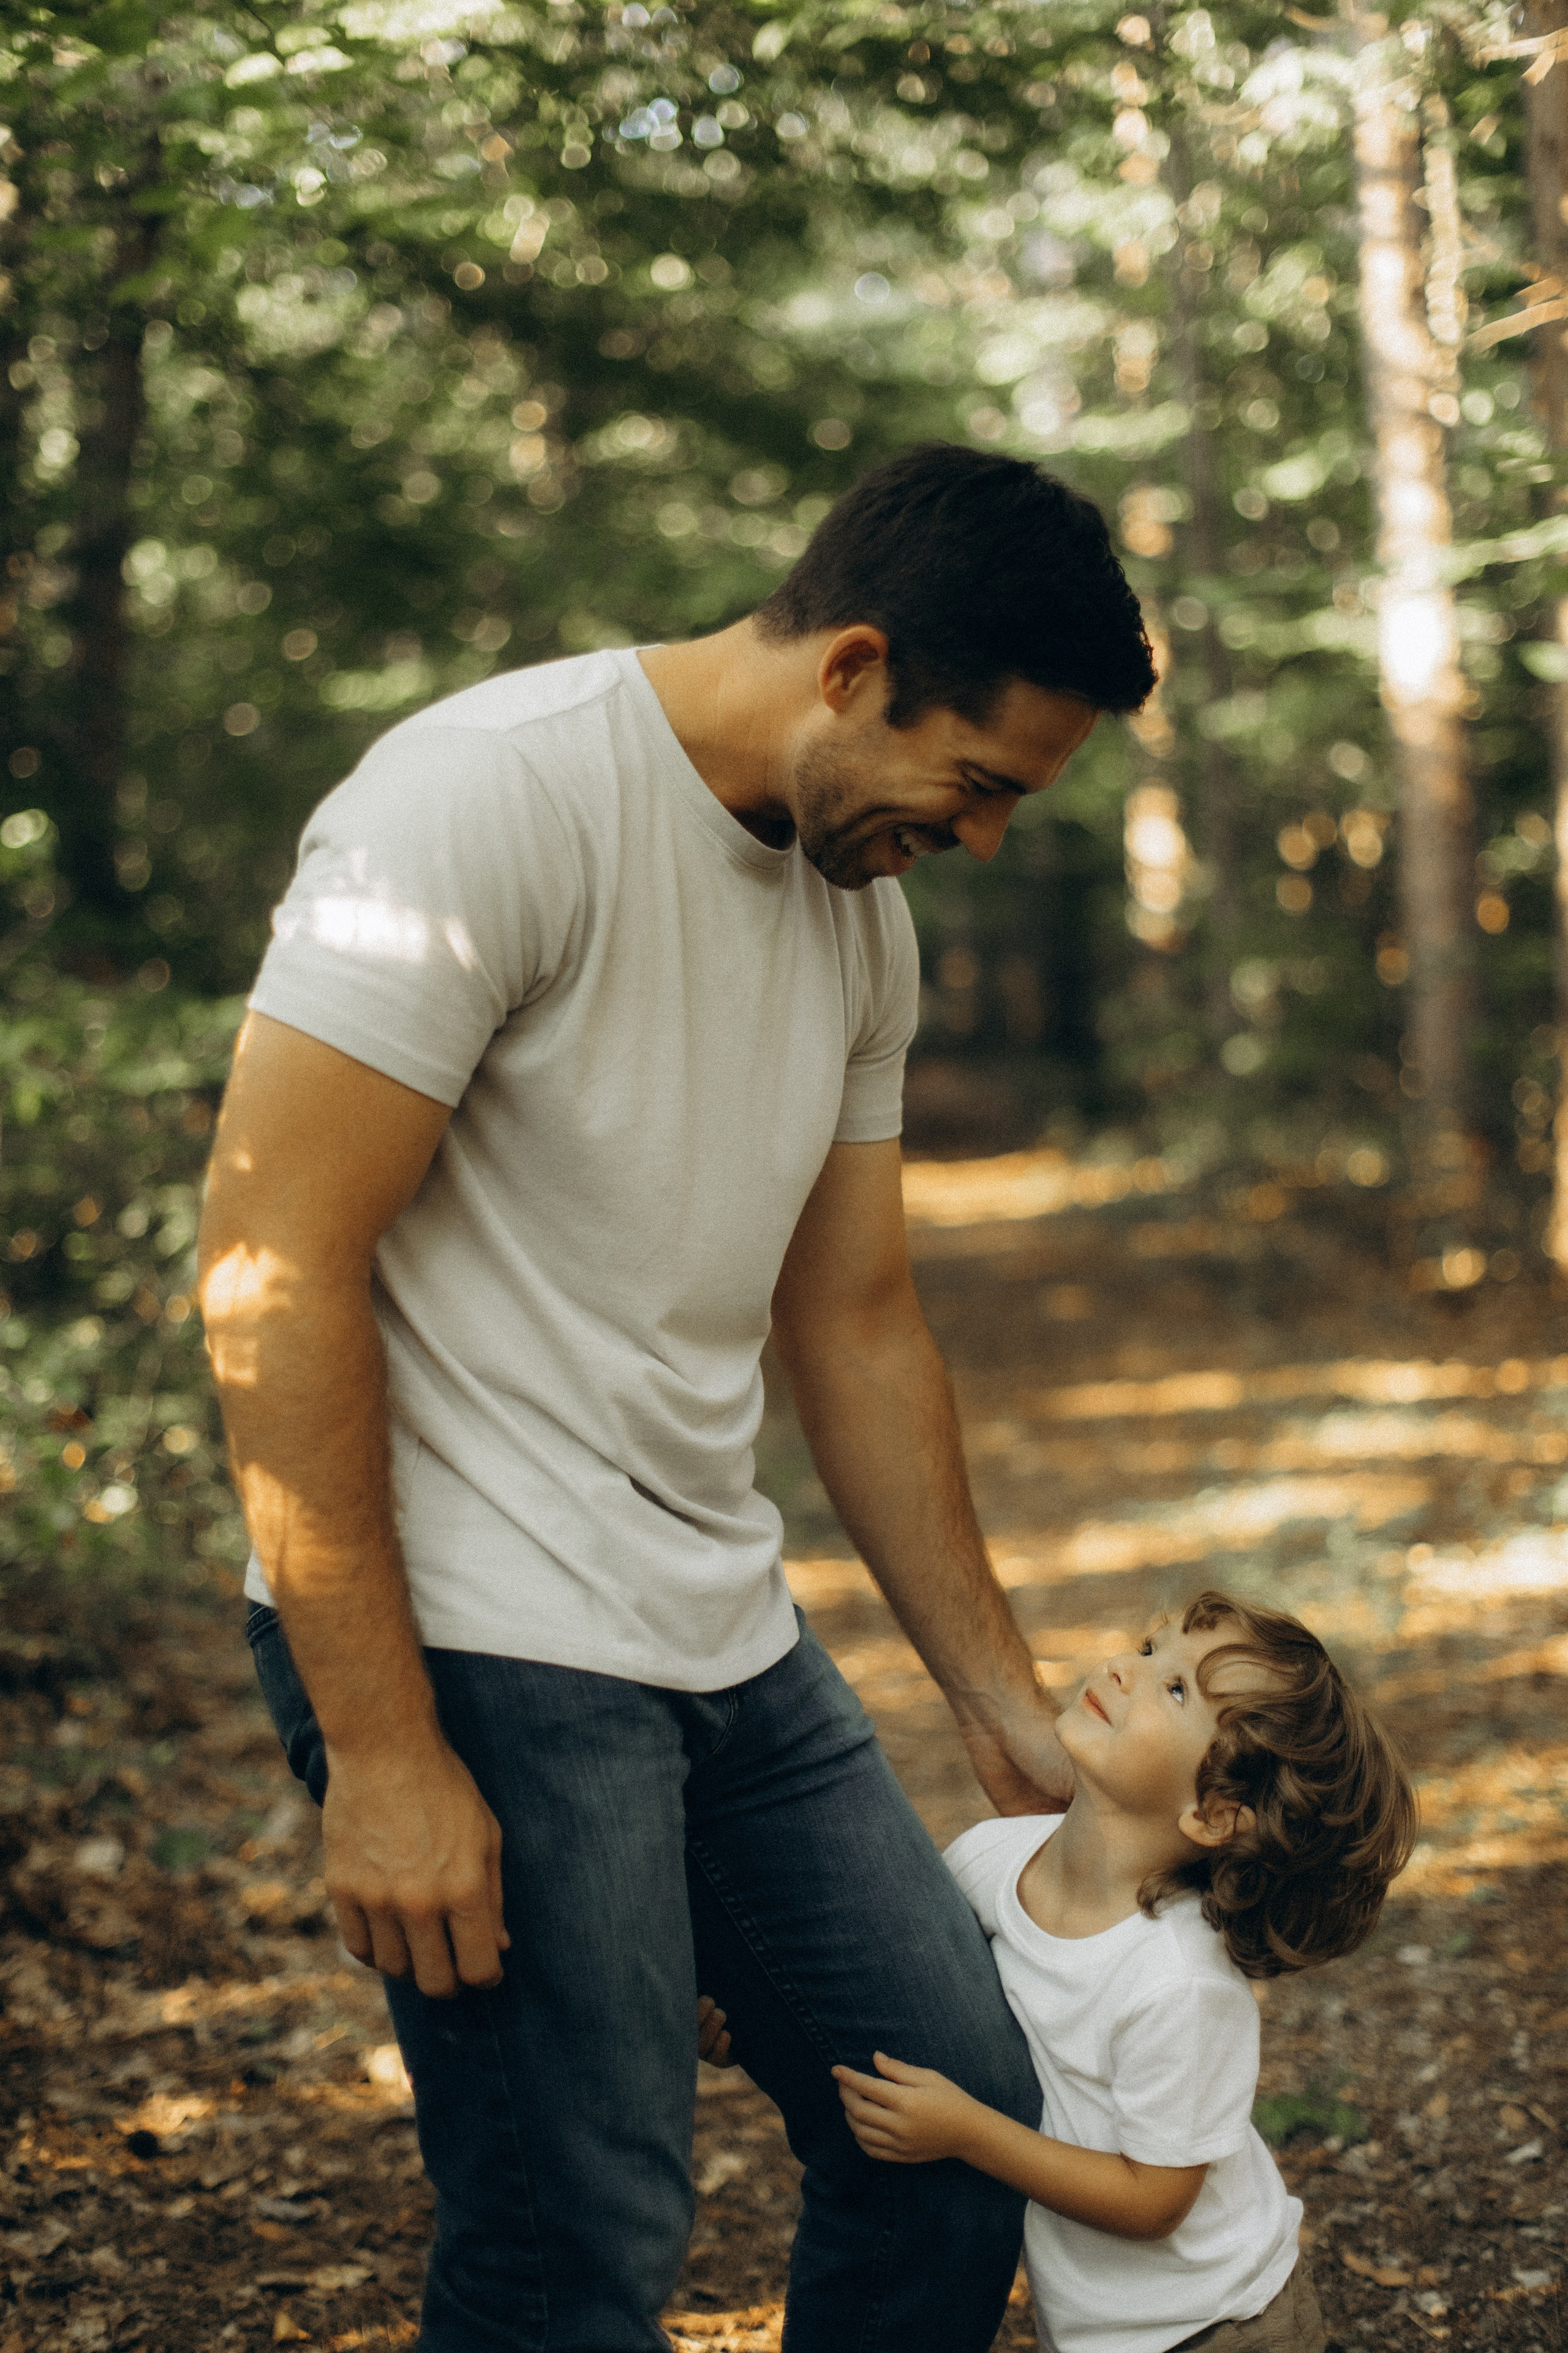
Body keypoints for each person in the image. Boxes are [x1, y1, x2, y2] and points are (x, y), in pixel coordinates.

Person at [195, 442, 1157, 2353]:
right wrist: (386, 1751)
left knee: (952, 2129)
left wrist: (998, 1697)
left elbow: (860, 1321)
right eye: (974, 785)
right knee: (575, 2237)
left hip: (719, 1628)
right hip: (477, 1632)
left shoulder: (851, 909)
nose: (974, 842)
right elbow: (271, 1265)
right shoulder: (488, 799)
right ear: (854, 663)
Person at [832, 1591, 1418, 2353]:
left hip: (1222, 2325)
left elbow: (1153, 2200)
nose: (1124, 1669)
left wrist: (967, 2133)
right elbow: (897, 1985)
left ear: (1213, 1815)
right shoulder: (989, 1859)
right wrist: (749, 2021)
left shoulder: (1180, 1981)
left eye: (1175, 1690)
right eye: (1150, 1649)